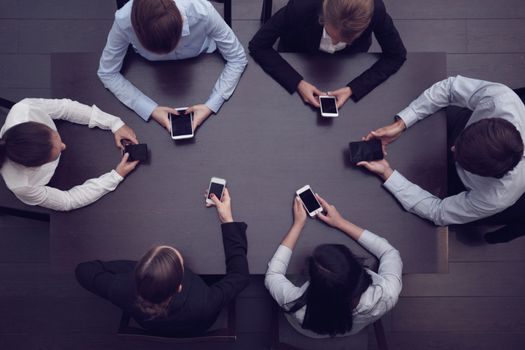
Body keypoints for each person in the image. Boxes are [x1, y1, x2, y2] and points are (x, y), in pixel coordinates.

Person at [358, 75, 525, 243]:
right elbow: (450, 88)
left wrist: (387, 173)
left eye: (458, 152)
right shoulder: (501, 99)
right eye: (458, 144)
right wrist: (401, 124)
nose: (452, 148)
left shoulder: (496, 197)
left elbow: (438, 212)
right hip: (458, 125)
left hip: (461, 186)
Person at [75, 188, 249, 336]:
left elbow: (83, 270)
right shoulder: (204, 301)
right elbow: (240, 276)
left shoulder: (121, 289)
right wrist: (227, 221)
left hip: (151, 326)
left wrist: (142, 268)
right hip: (199, 325)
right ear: (179, 287)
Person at [98, 0, 247, 132]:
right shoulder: (123, 20)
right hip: (149, 73)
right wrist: (149, 109)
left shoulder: (203, 11)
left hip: (202, 61)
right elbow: (107, 72)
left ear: (182, 20)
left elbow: (238, 57)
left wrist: (211, 105)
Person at [265, 194, 402, 337]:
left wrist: (298, 225)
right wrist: (341, 222)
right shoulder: (387, 295)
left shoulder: (297, 306)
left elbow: (273, 275)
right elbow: (389, 252)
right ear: (356, 268)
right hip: (351, 328)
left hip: (309, 329)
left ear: (312, 281)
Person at [249, 0, 406, 111]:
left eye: (344, 40)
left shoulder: (376, 10)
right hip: (299, 55)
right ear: (323, 15)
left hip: (349, 65)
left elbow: (396, 55)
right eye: (331, 35)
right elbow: (258, 45)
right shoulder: (301, 6)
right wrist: (297, 82)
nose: (334, 43)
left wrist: (353, 88)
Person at [0, 98, 139, 211]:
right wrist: (115, 176)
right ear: (36, 166)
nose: (64, 146)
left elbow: (66, 108)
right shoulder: (23, 186)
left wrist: (114, 123)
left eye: (55, 137)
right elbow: (68, 201)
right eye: (56, 152)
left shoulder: (25, 109)